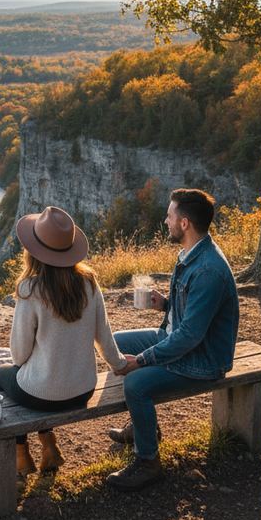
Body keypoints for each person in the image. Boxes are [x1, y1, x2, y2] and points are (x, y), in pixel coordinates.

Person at [106, 188, 240, 491]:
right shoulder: (193, 254)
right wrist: (165, 304)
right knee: (116, 343)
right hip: (184, 340)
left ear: (184, 224)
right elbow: (190, 317)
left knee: (135, 384)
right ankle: (144, 428)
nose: (165, 219)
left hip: (202, 360)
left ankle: (148, 461)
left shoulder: (208, 270)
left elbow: (190, 336)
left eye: (170, 215)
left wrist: (142, 361)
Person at [0, 206, 127, 476]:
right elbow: (104, 336)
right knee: (38, 380)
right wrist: (120, 364)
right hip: (83, 390)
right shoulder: (89, 283)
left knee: (1, 376)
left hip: (41, 395)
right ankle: (49, 447)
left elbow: (19, 356)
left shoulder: (30, 290)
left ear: (33, 251)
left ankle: (22, 454)